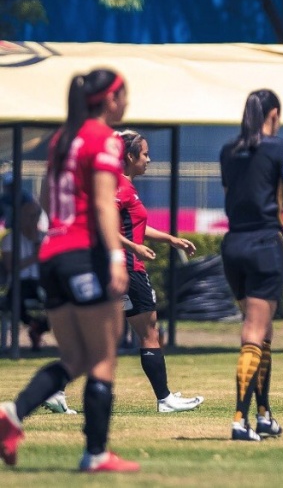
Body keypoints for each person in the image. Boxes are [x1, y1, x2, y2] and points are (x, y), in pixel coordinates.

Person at [0, 69, 139, 472]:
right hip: (84, 254)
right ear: (110, 100)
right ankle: (96, 453)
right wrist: (115, 257)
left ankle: (12, 412)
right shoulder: (102, 139)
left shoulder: (63, 138)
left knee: (75, 357)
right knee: (103, 355)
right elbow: (101, 203)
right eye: (124, 96)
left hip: (52, 255)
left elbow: (45, 196)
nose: (127, 103)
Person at [42, 130, 205, 414]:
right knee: (148, 331)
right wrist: (134, 248)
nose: (149, 159)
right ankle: (165, 399)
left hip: (119, 265)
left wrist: (170, 239)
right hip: (126, 268)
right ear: (129, 157)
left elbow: (135, 226)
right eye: (144, 154)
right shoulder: (117, 186)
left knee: (102, 334)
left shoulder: (123, 186)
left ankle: (55, 389)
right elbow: (103, 227)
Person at [220, 89, 283, 441]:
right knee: (254, 334)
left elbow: (232, 193)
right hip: (265, 244)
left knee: (261, 332)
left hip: (233, 244)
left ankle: (263, 414)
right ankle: (240, 419)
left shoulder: (228, 150)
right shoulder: (278, 148)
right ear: (273, 113)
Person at [1, 201, 51, 353]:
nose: (33, 219)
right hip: (19, 282)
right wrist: (34, 257)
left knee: (60, 300)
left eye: (36, 215)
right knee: (14, 299)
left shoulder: (45, 238)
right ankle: (34, 325)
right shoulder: (11, 239)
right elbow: (10, 267)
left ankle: (38, 327)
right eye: (30, 216)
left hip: (40, 282)